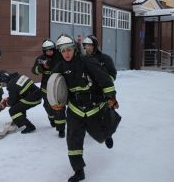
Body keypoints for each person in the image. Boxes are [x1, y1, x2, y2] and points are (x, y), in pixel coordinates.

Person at [53, 34, 120, 182]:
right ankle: (79, 171)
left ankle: (108, 134)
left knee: (101, 134)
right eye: (63, 51)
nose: (66, 54)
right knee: (73, 141)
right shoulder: (59, 67)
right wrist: (56, 103)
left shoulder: (87, 61)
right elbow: (55, 88)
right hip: (75, 110)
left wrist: (111, 97)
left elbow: (105, 79)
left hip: (93, 106)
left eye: (69, 50)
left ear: (74, 49)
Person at [82, 35, 117, 148]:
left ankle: (108, 135)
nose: (87, 47)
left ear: (95, 46)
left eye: (89, 45)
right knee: (92, 112)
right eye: (85, 45)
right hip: (90, 92)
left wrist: (104, 82)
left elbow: (112, 74)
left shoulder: (105, 59)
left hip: (105, 91)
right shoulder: (82, 59)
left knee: (107, 113)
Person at [31, 39, 66, 138]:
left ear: (54, 49)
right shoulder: (40, 58)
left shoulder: (60, 56)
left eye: (51, 50)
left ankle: (61, 129)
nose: (49, 52)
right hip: (46, 87)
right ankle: (51, 118)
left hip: (59, 85)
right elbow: (34, 71)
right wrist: (42, 68)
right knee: (47, 106)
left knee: (59, 107)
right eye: (46, 51)